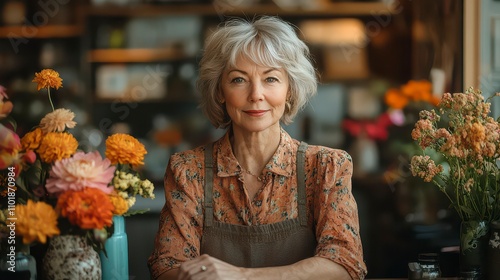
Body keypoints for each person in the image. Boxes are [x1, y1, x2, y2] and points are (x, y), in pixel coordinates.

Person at [148, 16, 367, 280]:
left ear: (289, 89)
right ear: (219, 91)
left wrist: (242, 276)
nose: (256, 95)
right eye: (239, 80)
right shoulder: (187, 170)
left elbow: (344, 264)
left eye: (271, 79)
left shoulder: (326, 166)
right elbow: (167, 266)